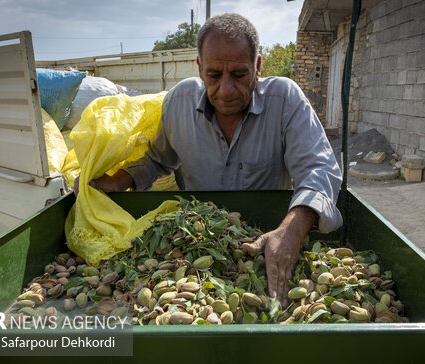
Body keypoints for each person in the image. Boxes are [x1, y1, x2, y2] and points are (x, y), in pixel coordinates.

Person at [74, 13, 342, 305]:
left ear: (258, 66)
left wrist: (291, 231)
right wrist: (116, 181)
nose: (226, 89)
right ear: (200, 69)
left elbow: (319, 169)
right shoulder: (179, 102)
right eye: (214, 75)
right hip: (197, 245)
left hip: (267, 239)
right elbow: (157, 158)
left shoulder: (285, 100)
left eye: (239, 75)